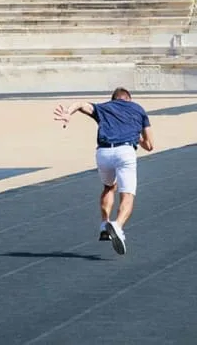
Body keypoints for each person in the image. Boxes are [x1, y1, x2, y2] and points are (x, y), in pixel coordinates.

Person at [53, 87, 153, 256]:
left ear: (114, 99)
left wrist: (68, 112)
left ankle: (104, 223)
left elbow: (81, 104)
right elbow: (150, 145)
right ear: (128, 99)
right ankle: (117, 225)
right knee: (127, 195)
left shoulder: (104, 107)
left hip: (103, 153)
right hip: (125, 151)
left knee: (109, 187)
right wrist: (138, 137)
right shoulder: (139, 109)